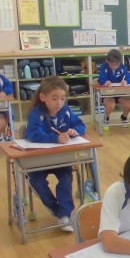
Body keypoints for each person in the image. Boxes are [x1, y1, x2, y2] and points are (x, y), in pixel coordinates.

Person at [25, 76, 86, 232]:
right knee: (37, 182)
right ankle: (59, 211)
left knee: (66, 178)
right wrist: (55, 138)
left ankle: (65, 214)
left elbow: (81, 125)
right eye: (54, 98)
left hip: (60, 158)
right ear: (43, 97)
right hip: (38, 160)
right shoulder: (36, 113)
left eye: (63, 99)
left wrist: (75, 131)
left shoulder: (66, 111)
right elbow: (32, 134)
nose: (59, 103)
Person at [98, 48, 130, 124]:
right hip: (108, 93)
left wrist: (126, 81)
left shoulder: (122, 67)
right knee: (111, 105)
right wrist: (105, 82)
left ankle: (124, 116)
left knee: (129, 104)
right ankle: (106, 117)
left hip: (119, 93)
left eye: (117, 64)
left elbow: (129, 77)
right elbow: (101, 78)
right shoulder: (104, 67)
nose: (114, 66)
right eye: (112, 64)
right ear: (107, 61)